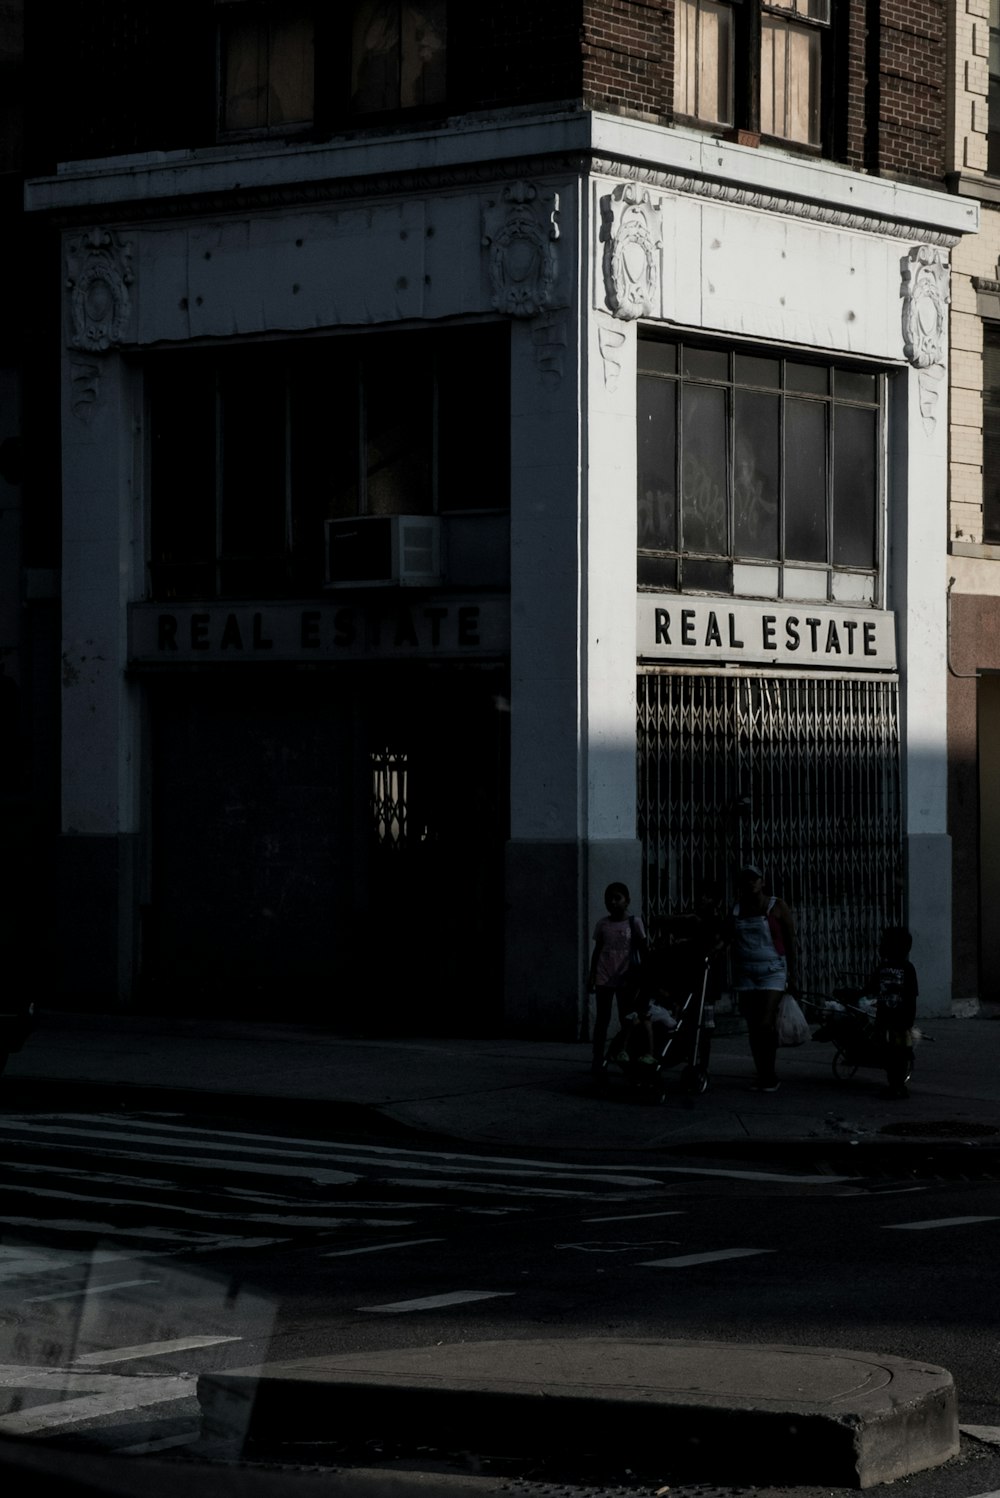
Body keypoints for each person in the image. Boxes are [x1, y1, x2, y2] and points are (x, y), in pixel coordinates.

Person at [727, 865, 798, 1093]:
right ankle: (762, 1072)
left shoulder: (777, 906)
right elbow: (728, 938)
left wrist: (793, 974)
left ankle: (770, 1072)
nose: (751, 884)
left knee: (765, 1023)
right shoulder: (736, 910)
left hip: (773, 970)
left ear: (762, 882)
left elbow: (790, 940)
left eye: (754, 879)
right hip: (746, 972)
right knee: (753, 1026)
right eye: (746, 880)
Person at [587, 882, 651, 1077]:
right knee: (602, 1020)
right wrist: (591, 977)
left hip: (626, 979)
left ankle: (626, 1055)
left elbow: (643, 950)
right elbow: (597, 952)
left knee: (627, 1020)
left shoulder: (635, 923)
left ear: (627, 900)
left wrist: (643, 977)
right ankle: (598, 1060)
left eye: (617, 898)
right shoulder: (602, 924)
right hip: (604, 976)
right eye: (609, 899)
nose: (613, 902)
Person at [866, 926, 918, 1099]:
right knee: (898, 1053)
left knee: (890, 1053)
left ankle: (895, 1085)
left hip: (887, 1018)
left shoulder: (883, 968)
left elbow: (870, 989)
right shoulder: (907, 968)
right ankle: (898, 1085)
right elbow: (912, 997)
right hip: (899, 1019)